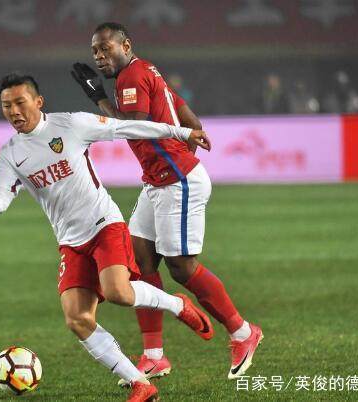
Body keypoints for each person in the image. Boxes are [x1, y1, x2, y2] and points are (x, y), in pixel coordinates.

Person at [0, 73, 214, 401]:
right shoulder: (10, 154)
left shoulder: (72, 125)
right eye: (6, 106)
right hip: (71, 242)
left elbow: (127, 127)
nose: (13, 111)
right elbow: (1, 198)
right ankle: (141, 384)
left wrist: (182, 132)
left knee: (118, 292)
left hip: (104, 224)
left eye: (19, 102)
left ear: (38, 102)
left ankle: (177, 304)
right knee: (78, 319)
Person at [71, 22, 263, 382]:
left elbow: (130, 127)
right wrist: (183, 150)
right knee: (140, 260)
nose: (99, 56)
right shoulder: (148, 70)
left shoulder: (131, 77)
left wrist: (97, 97)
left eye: (105, 48)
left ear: (126, 45)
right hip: (160, 181)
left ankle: (242, 332)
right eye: (95, 51)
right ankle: (154, 356)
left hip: (176, 181)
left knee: (181, 268)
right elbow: (189, 117)